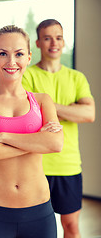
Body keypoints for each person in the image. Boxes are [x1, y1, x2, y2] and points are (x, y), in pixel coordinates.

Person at [0, 25, 64, 238]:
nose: (11, 62)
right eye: (3, 54)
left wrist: (3, 137)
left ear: (28, 57)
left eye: (19, 54)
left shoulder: (42, 100)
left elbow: (55, 144)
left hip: (39, 212)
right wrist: (36, 142)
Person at [22, 19, 95, 238]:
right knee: (34, 229)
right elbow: (28, 117)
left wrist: (48, 106)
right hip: (35, 165)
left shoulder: (76, 78)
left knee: (71, 226)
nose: (54, 43)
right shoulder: (27, 76)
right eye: (47, 38)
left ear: (63, 42)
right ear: (37, 42)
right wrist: (72, 109)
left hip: (68, 165)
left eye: (58, 37)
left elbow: (89, 114)